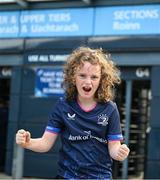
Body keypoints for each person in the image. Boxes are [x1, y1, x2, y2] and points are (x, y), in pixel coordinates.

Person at [16, 46, 130, 179]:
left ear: (101, 80)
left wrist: (120, 152)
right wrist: (27, 143)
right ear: (73, 77)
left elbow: (114, 148)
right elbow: (45, 144)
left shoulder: (110, 109)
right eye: (82, 75)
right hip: (67, 176)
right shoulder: (62, 106)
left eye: (94, 77)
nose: (88, 81)